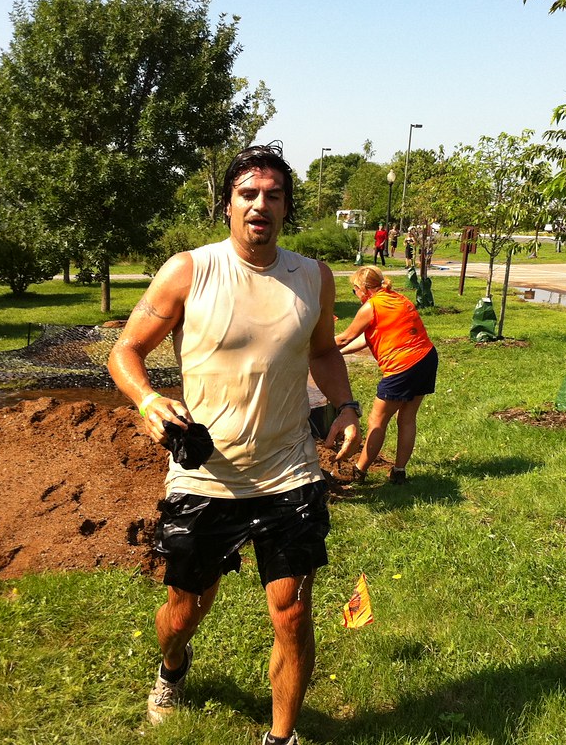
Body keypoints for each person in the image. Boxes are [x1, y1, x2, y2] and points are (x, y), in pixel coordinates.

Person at [107, 144, 361, 745]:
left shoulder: (312, 277)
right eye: (248, 193)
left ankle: (281, 737)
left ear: (286, 209)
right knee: (184, 610)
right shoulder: (190, 270)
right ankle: (172, 668)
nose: (260, 205)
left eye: (274, 195)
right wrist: (147, 400)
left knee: (293, 612)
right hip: (206, 475)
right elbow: (126, 351)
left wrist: (345, 406)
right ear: (227, 204)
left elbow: (324, 351)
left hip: (288, 472)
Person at [334, 265, 438, 485]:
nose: (356, 296)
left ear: (361, 287)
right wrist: (337, 353)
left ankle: (359, 472)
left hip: (403, 367)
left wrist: (312, 347)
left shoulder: (371, 306)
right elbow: (365, 339)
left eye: (355, 291)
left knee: (377, 421)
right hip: (426, 358)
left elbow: (344, 337)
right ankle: (399, 472)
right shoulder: (396, 298)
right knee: (407, 418)